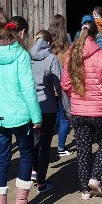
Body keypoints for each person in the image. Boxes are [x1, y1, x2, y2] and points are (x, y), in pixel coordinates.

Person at [0, 15, 42, 204]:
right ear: (22, 33)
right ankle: (21, 203)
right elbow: (28, 89)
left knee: (3, 159)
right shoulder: (22, 55)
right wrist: (37, 117)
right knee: (26, 156)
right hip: (20, 116)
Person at [61, 20, 102, 199]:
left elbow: (65, 83)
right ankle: (95, 177)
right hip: (100, 110)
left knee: (83, 149)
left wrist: (75, 96)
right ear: (96, 35)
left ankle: (85, 190)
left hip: (79, 111)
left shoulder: (72, 55)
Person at [30, 30, 62, 193]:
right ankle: (41, 182)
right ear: (48, 43)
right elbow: (59, 85)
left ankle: (33, 171)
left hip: (30, 106)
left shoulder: (26, 57)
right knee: (45, 145)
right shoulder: (52, 58)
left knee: (33, 142)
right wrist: (66, 106)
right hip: (48, 107)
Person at [49, 15, 73, 156]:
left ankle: (47, 144)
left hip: (50, 83)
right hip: (63, 83)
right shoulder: (66, 40)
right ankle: (61, 147)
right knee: (65, 117)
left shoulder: (48, 41)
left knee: (55, 116)